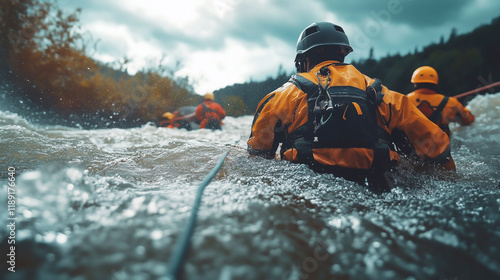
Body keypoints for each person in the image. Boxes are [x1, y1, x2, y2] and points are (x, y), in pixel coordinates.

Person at [247, 22, 456, 191]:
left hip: (308, 191)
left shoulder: (280, 97)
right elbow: (438, 151)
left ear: (304, 59)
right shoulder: (386, 95)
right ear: (342, 54)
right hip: (377, 192)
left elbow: (257, 159)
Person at [407, 66, 475, 137]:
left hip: (414, 145)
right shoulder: (450, 102)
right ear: (435, 84)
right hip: (442, 145)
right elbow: (469, 120)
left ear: (415, 84)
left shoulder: (404, 100)